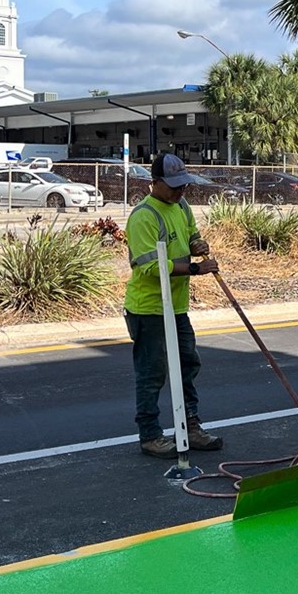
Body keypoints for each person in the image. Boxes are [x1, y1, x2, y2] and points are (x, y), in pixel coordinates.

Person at [123, 153, 225, 458]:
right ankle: (150, 434)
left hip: (177, 306)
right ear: (154, 183)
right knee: (152, 372)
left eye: (183, 185)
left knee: (187, 365)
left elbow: (192, 235)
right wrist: (195, 270)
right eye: (173, 186)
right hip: (149, 308)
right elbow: (149, 267)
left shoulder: (181, 206)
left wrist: (198, 246)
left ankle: (190, 425)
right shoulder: (144, 216)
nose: (180, 191)